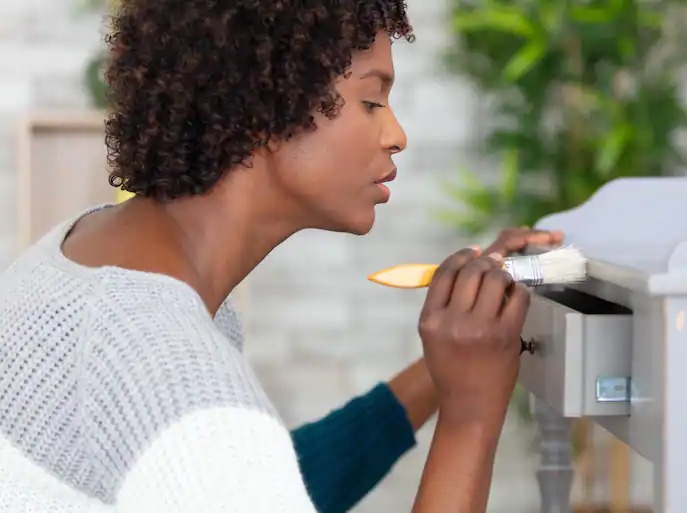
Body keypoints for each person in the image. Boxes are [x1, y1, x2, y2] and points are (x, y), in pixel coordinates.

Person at [0, 1, 564, 513]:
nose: (396, 134)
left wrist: (454, 360)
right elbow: (221, 448)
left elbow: (264, 482)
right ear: (264, 107)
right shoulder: (178, 380)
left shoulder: (85, 257)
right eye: (370, 100)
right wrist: (471, 416)